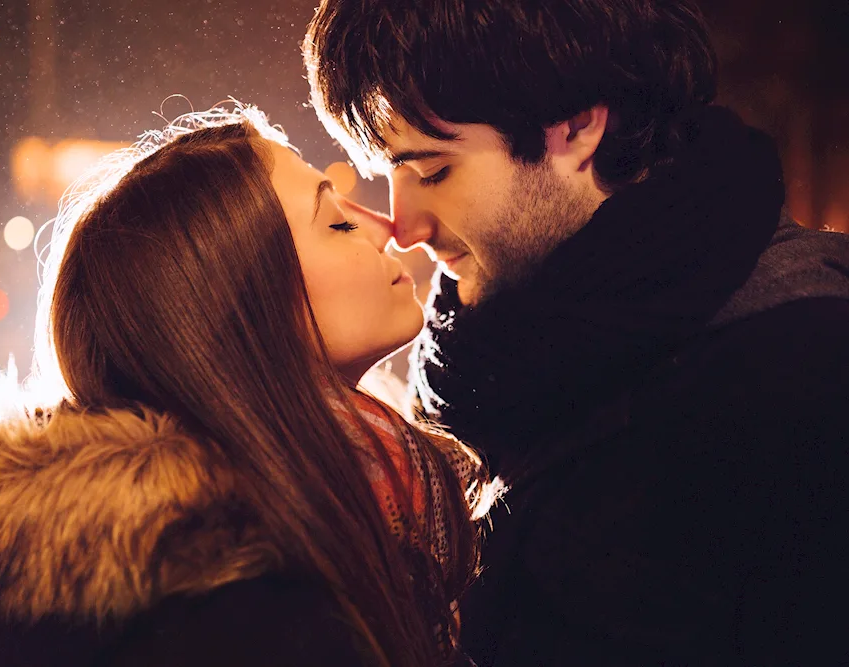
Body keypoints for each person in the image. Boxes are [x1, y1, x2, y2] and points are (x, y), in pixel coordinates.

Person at [304, 1, 849, 665]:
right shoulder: (480, 360)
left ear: (580, 124)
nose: (405, 225)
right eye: (389, 171)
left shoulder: (802, 371)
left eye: (434, 171)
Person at [0, 106, 501, 667]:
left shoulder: (323, 515)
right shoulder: (244, 610)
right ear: (240, 309)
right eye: (337, 223)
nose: (385, 228)